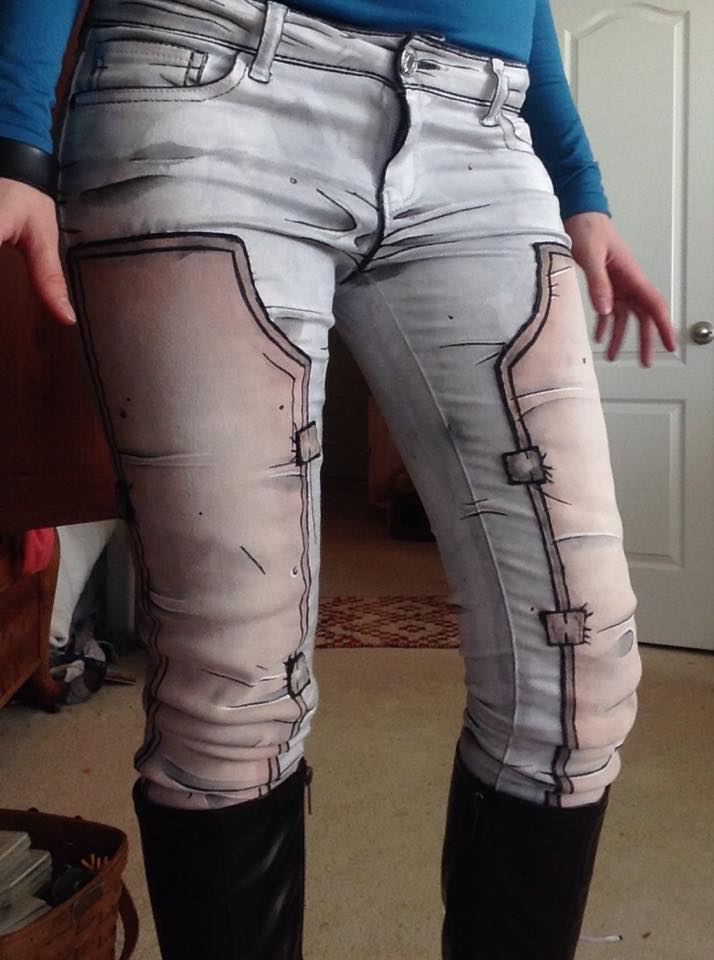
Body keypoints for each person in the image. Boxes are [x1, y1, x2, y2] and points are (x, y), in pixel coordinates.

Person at [0, 1, 676, 958]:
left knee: (582, 669)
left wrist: (580, 184)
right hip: (211, 74)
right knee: (235, 686)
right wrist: (13, 131)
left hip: (484, 129)